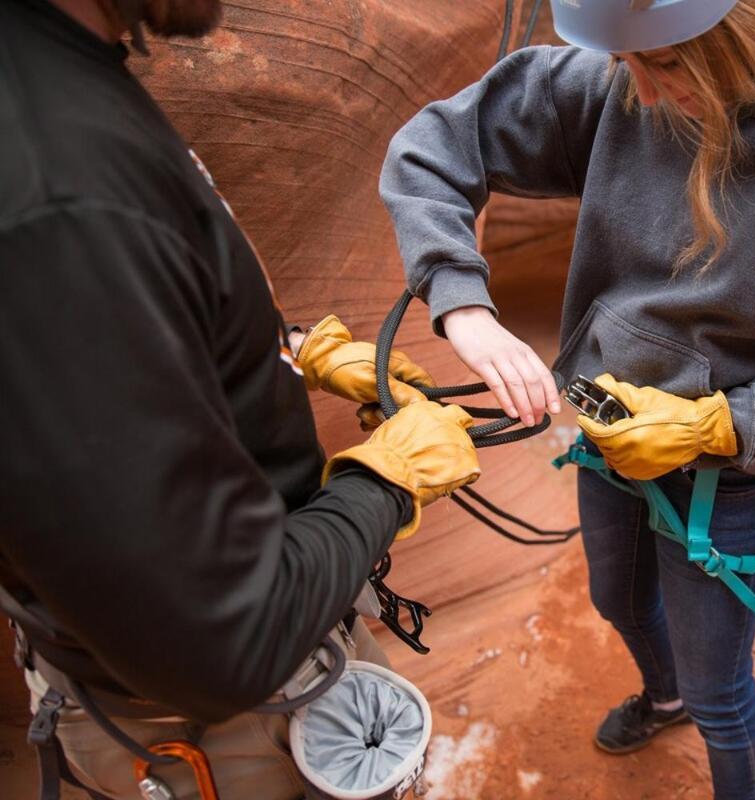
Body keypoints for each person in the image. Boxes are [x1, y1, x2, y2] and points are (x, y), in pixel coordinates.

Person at [380, 0, 755, 797]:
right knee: (618, 601)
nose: (637, 93)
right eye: (625, 62)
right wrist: (463, 305)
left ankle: (699, 713)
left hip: (731, 480)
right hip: (609, 437)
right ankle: (660, 695)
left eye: (665, 65)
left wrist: (714, 424)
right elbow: (431, 150)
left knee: (723, 693)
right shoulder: (626, 81)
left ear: (737, 30)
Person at [0, 1, 480, 798]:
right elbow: (224, 639)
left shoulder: (64, 86)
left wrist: (291, 354)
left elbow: (130, 334)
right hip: (224, 723)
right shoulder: (55, 187)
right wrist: (385, 483)